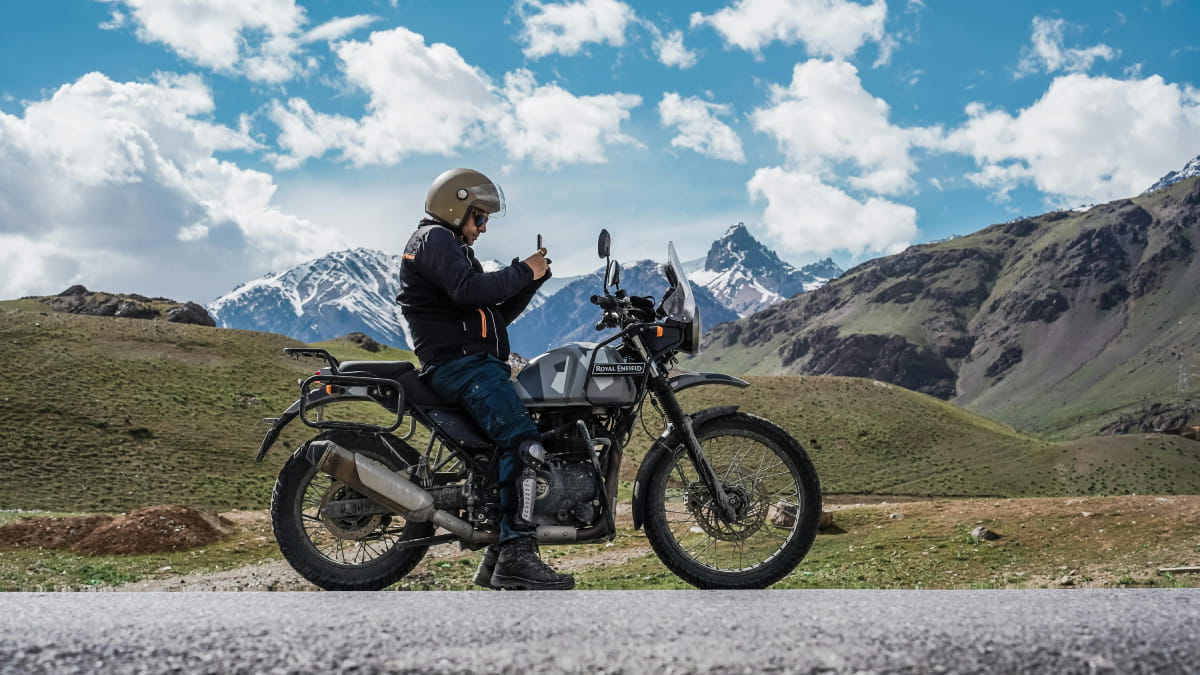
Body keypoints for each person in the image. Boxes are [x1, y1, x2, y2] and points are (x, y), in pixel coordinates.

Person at [395, 167, 574, 591]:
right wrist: (524, 272)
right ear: (455, 207)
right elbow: (469, 291)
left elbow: (490, 314)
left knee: (503, 454)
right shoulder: (434, 239)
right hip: (463, 367)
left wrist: (530, 282)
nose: (483, 227)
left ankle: (495, 559)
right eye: (479, 217)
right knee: (524, 445)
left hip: (472, 363)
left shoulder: (449, 246)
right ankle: (517, 555)